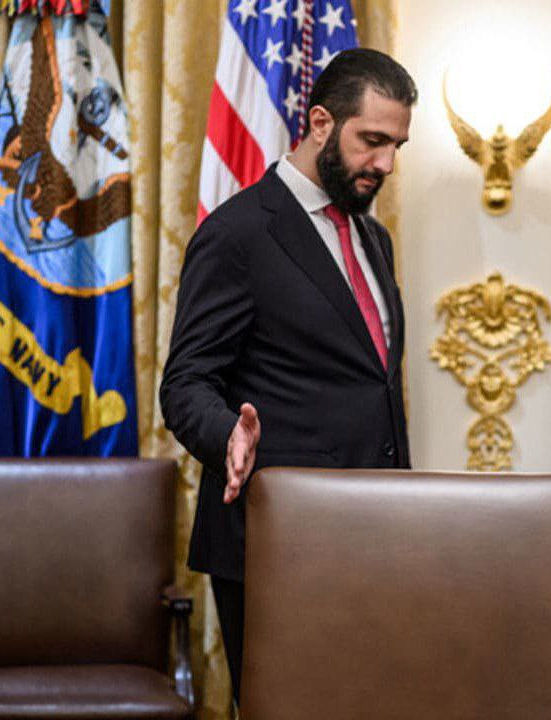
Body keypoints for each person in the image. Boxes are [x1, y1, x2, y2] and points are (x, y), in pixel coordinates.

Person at [160, 48, 415, 700]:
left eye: (397, 146)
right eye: (372, 141)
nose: (385, 164)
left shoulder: (374, 239)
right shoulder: (239, 233)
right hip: (278, 536)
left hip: (376, 534)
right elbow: (186, 382)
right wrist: (227, 434)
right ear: (322, 123)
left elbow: (371, 384)